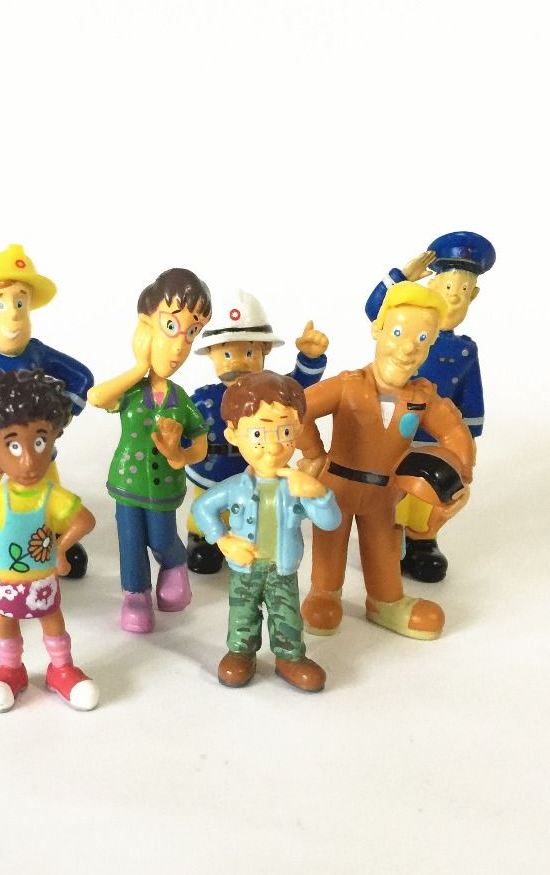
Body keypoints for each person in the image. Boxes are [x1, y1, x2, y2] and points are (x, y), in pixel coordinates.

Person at [295, 281, 474, 640]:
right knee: (329, 541)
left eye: (422, 339)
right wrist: (313, 453)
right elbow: (298, 408)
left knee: (384, 547)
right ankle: (324, 593)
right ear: (377, 331)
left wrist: (457, 477)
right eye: (397, 333)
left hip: (386, 492)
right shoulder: (347, 385)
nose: (408, 347)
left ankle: (386, 600)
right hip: (337, 485)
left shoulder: (422, 396)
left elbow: (455, 433)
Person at [0, 368, 97, 713]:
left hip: (43, 581)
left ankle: (61, 668)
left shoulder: (51, 495)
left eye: (40, 442)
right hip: (5, 581)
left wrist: (61, 549)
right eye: (13, 445)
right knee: (5, 622)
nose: (29, 460)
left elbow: (84, 520)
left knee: (52, 620)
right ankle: (10, 669)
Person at [0, 244, 94, 577]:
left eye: (20, 303)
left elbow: (82, 378)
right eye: (2, 304)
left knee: (52, 497)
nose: (13, 315)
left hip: (37, 452)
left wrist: (59, 418)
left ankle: (58, 540)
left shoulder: (36, 353)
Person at [191, 371, 341, 691]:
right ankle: (240, 652)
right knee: (242, 611)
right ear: (233, 435)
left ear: (298, 431)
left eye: (284, 432)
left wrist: (317, 493)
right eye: (258, 434)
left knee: (286, 613)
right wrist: (223, 540)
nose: (272, 447)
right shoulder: (237, 487)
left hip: (282, 568)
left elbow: (330, 522)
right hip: (245, 566)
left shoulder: (296, 487)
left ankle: (289, 656)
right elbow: (202, 508)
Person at [364, 230, 495, 582]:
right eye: (448, 287)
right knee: (386, 488)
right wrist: (400, 279)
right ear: (432, 285)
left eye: (464, 291)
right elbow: (377, 311)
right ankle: (385, 538)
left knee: (428, 492)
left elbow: (470, 398)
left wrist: (467, 443)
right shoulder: (408, 328)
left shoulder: (463, 350)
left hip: (434, 439)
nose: (454, 297)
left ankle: (421, 541)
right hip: (391, 429)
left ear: (474, 297)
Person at [87, 268, 211, 633]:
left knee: (160, 538)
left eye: (191, 333)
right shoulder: (131, 392)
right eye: (171, 327)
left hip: (164, 488)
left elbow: (200, 445)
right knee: (130, 541)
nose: (179, 346)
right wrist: (139, 366)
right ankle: (136, 595)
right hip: (127, 483)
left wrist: (180, 456)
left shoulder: (180, 400)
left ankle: (174, 564)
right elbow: (96, 397)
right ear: (146, 327)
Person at [185, 287, 328, 573]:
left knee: (253, 508)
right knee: (204, 504)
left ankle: (252, 539)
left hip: (254, 469)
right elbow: (184, 427)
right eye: (227, 353)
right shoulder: (202, 398)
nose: (237, 363)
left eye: (249, 352)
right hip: (210, 469)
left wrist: (309, 360)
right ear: (211, 354)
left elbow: (295, 389)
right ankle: (203, 539)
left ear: (264, 351)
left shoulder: (270, 398)